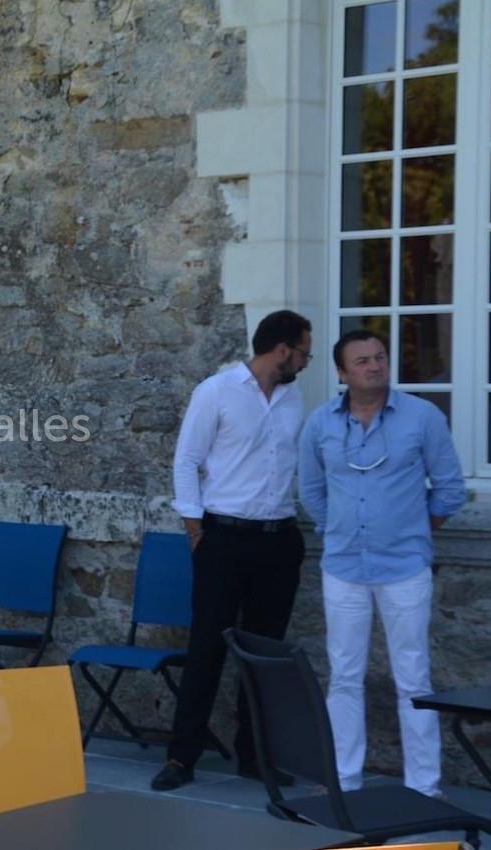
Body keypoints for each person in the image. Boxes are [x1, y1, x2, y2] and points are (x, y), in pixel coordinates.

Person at [151, 310, 313, 792]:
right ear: (282, 349)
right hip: (223, 537)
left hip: (279, 540)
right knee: (206, 649)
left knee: (265, 654)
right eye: (304, 351)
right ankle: (182, 758)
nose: (306, 359)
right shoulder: (216, 391)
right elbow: (187, 461)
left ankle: (255, 756)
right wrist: (195, 528)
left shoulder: (294, 398)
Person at [298, 329, 464, 798]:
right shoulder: (320, 424)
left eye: (380, 358)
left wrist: (411, 529)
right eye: (363, 360)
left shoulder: (422, 417)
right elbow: (311, 488)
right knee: (344, 676)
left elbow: (449, 487)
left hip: (404, 567)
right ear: (342, 373)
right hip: (344, 567)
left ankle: (424, 789)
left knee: (414, 676)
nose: (374, 366)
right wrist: (338, 530)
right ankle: (345, 782)